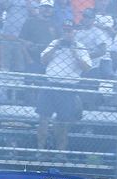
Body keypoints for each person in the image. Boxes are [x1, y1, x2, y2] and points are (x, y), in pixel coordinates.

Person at [36, 19, 90, 156]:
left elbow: (87, 67)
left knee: (63, 122)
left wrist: (75, 53)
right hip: (50, 84)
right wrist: (56, 47)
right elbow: (43, 60)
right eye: (65, 30)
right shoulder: (54, 43)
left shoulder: (80, 47)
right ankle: (39, 151)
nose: (67, 33)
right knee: (43, 119)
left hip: (68, 87)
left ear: (74, 32)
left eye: (70, 30)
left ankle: (61, 153)